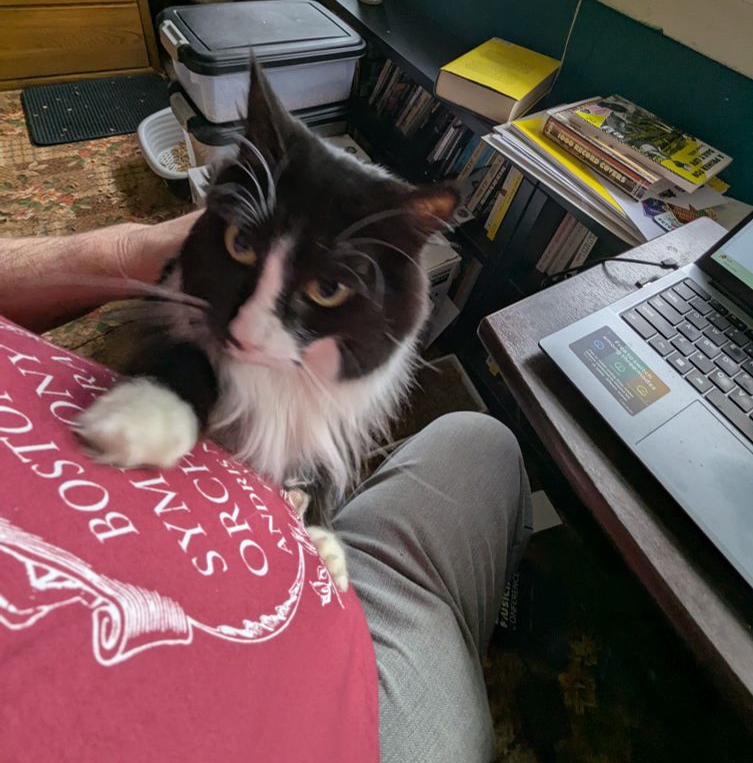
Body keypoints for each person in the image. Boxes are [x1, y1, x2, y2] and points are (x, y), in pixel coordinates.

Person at [0, 217, 532, 762]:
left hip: (283, 552)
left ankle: (314, 525)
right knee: (485, 442)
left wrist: (132, 246)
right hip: (336, 727)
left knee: (474, 442)